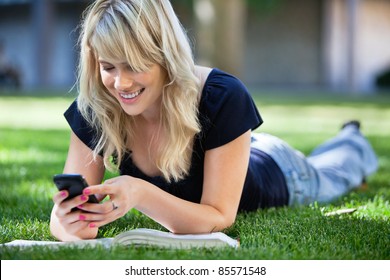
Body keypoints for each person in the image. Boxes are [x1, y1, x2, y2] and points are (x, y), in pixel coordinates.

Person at [50, 0, 378, 241]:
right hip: (235, 152)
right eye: (109, 67)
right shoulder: (97, 105)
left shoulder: (221, 96)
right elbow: (61, 221)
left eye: (133, 65)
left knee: (338, 170)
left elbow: (219, 218)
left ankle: (352, 138)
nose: (120, 83)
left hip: (280, 170)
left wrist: (139, 193)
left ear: (164, 55)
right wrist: (70, 222)